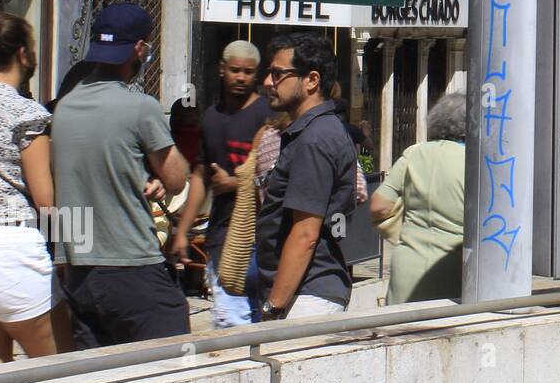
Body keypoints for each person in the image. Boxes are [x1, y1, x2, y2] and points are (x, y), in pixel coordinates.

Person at [51, 4, 190, 348]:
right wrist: (160, 171)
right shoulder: (140, 106)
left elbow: (66, 185)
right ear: (140, 49)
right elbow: (175, 180)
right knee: (174, 369)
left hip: (77, 270)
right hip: (131, 266)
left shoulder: (63, 109)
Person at [255, 34, 358, 321]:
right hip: (305, 293)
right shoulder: (315, 132)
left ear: (311, 80)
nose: (267, 83)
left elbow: (305, 235)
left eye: (277, 74)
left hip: (305, 298)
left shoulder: (315, 139)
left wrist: (274, 307)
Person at [172, 40, 271, 328]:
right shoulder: (211, 118)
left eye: (248, 72)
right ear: (221, 70)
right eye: (235, 70)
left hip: (260, 235)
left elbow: (279, 177)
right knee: (231, 321)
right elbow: (201, 174)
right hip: (223, 235)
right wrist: (182, 232)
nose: (241, 77)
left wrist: (238, 182)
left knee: (259, 320)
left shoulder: (268, 114)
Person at [0, 14, 57, 362]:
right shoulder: (26, 113)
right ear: (21, 54)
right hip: (14, 247)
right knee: (57, 370)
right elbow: (46, 201)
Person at [371, 94, 467, 304]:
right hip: (454, 268)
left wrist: (400, 231)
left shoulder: (413, 153)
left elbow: (379, 206)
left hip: (407, 266)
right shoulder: (476, 161)